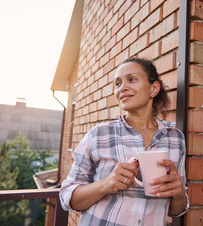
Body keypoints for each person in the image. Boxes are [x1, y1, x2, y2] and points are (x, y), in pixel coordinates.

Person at [60, 58, 189, 225]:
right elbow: (66, 197)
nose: (122, 88)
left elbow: (176, 209)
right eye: (117, 83)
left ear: (154, 88)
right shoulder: (98, 135)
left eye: (132, 79)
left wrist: (178, 194)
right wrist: (106, 184)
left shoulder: (176, 138)